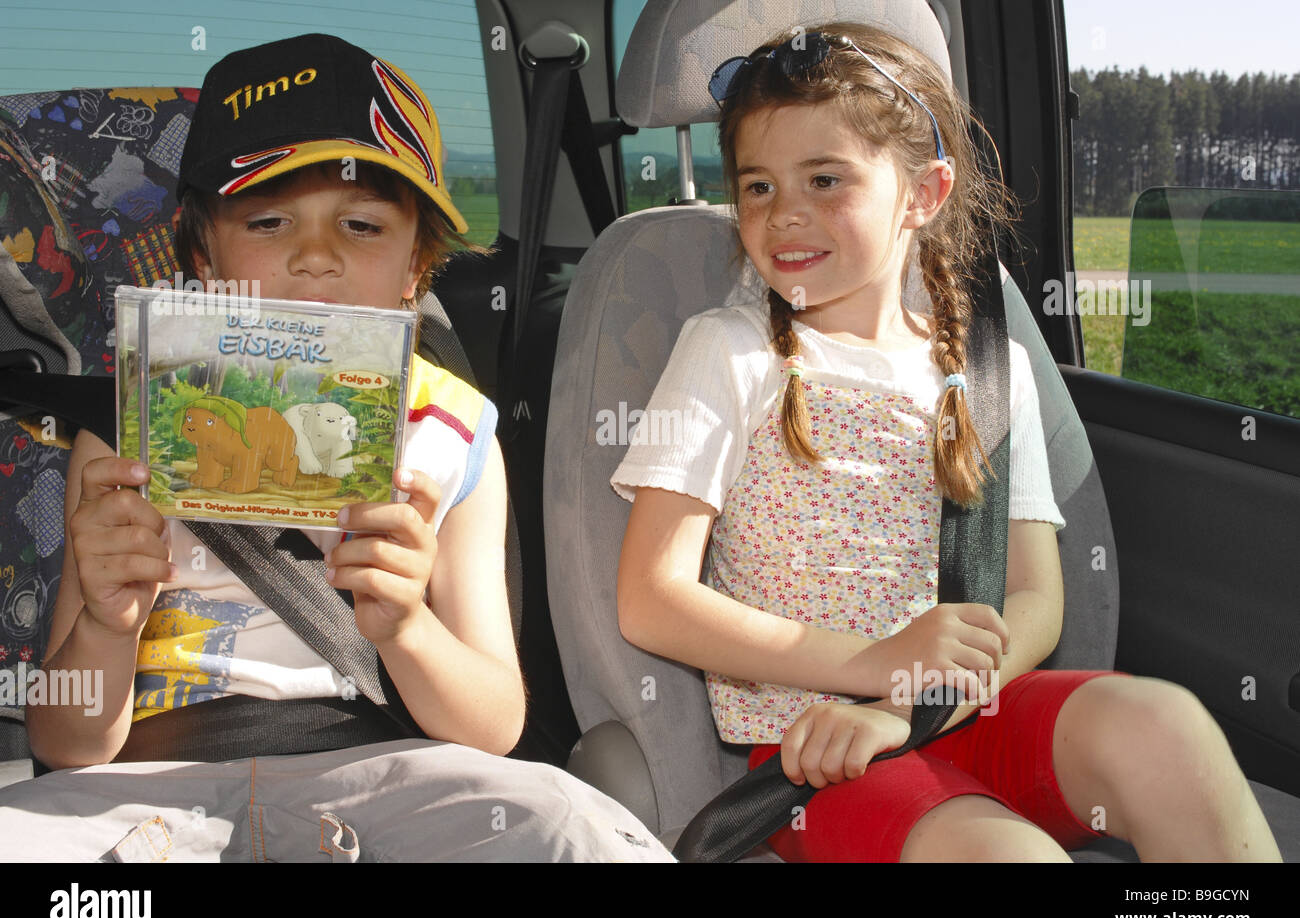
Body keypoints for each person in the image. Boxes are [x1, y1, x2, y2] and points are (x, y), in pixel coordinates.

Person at [613, 23, 1280, 862]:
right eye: (756, 186)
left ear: (924, 195)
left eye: (826, 179)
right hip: (815, 751)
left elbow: (1034, 599)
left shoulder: (988, 367)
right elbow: (649, 595)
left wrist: (912, 700)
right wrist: (877, 669)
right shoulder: (730, 350)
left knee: (1168, 725)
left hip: (963, 710)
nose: (784, 213)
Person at [0, 33, 672, 862]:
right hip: (147, 786)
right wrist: (107, 624)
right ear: (204, 256)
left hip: (390, 774)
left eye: (360, 224)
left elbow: (494, 725)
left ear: (415, 269)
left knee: (568, 827)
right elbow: (68, 743)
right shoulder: (124, 429)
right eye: (270, 219)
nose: (315, 255)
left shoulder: (455, 433)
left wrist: (407, 626)